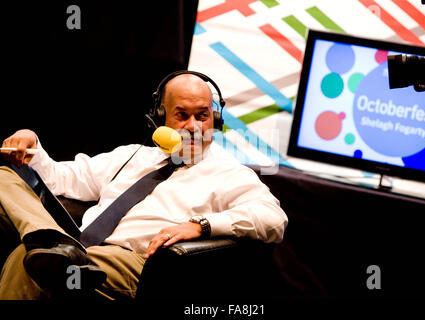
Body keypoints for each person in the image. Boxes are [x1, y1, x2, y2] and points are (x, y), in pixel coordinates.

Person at [0, 72, 288, 300]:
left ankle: (54, 248)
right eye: (182, 115)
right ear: (159, 117)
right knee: (5, 175)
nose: (194, 126)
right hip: (76, 243)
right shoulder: (132, 155)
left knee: (25, 258)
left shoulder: (229, 173)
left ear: (215, 120)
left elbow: (273, 219)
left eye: (202, 116)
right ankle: (53, 243)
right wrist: (31, 143)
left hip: (133, 261)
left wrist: (202, 224)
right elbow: (60, 178)